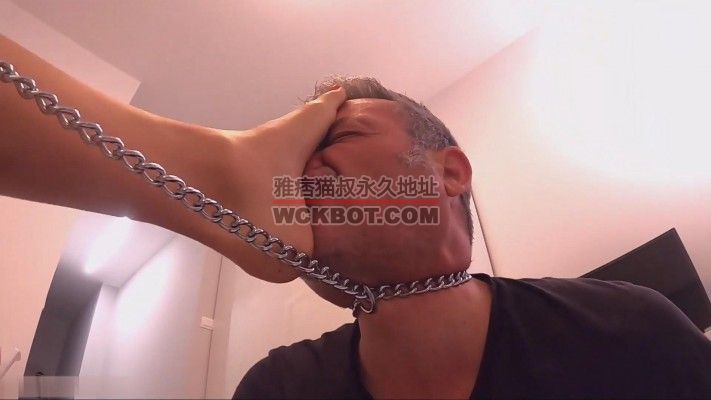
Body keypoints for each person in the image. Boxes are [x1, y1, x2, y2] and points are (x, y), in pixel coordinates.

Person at [2, 35, 710, 399]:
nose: (298, 174)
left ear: (450, 173)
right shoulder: (278, 391)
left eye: (335, 139)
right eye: (291, 158)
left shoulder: (626, 329)